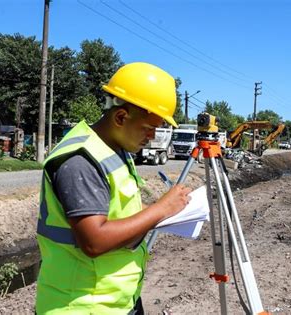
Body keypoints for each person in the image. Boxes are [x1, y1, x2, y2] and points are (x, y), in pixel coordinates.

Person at [35, 62, 192, 314]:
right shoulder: (80, 160)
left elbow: (120, 211)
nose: (152, 137)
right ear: (121, 117)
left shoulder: (116, 149)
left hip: (115, 301)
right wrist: (160, 210)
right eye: (149, 128)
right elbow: (94, 242)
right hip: (81, 305)